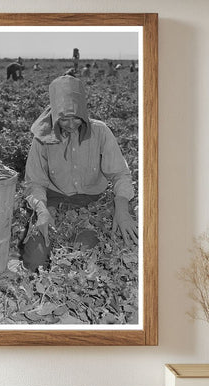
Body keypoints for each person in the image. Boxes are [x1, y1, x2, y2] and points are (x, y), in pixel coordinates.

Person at [22, 75, 137, 272]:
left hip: (90, 205)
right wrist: (42, 211)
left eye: (76, 117)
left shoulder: (101, 132)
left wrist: (122, 207)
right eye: (63, 118)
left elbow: (120, 174)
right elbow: (34, 183)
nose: (70, 124)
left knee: (83, 256)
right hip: (52, 202)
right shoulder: (42, 138)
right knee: (35, 262)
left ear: (84, 112)